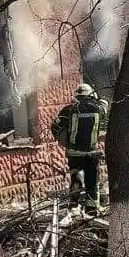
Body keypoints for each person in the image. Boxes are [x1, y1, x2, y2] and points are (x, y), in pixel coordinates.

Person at [50, 83, 108, 215]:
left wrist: (62, 139)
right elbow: (104, 125)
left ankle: (74, 208)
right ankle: (91, 210)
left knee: (75, 180)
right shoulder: (98, 109)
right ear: (90, 95)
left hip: (74, 153)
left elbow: (55, 126)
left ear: (77, 96)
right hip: (91, 153)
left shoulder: (69, 110)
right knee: (92, 182)